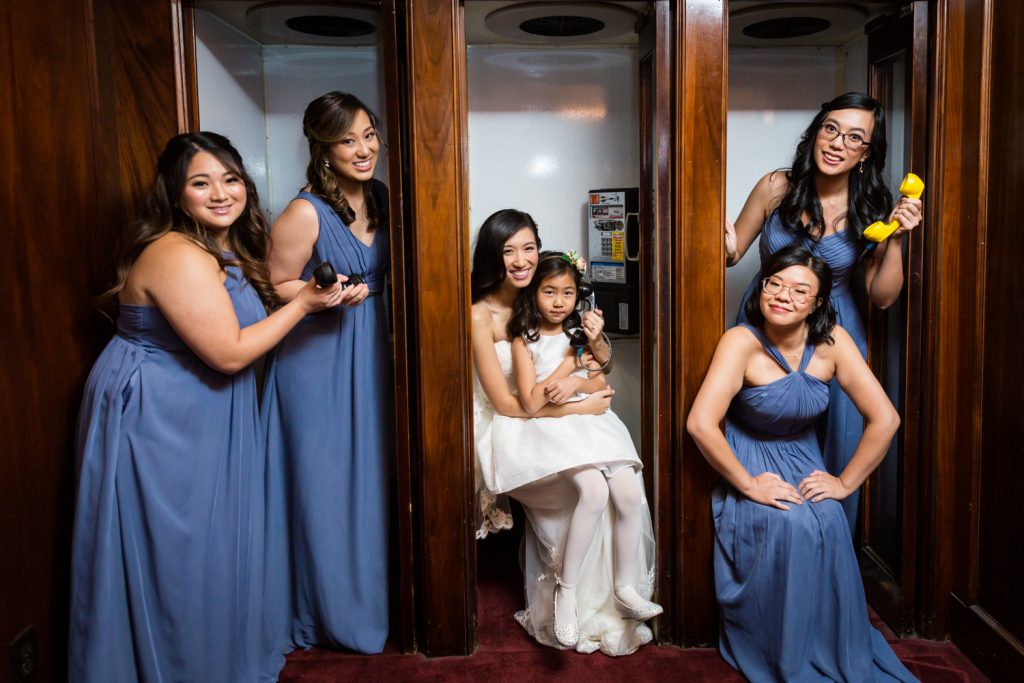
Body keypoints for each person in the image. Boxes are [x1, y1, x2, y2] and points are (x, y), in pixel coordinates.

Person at [69, 132, 345, 682]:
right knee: (175, 554)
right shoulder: (175, 254)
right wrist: (309, 305)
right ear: (176, 194)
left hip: (197, 407)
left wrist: (322, 293)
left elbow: (246, 309)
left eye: (230, 178)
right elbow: (227, 352)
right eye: (201, 182)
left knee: (209, 552)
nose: (220, 193)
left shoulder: (217, 245)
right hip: (158, 416)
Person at [687, 245, 917, 682]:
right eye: (774, 283)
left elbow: (885, 418)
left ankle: (830, 643)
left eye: (799, 290)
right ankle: (781, 648)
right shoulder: (741, 341)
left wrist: (846, 483)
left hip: (802, 452)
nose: (781, 296)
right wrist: (749, 484)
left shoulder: (834, 344)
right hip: (750, 453)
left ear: (818, 303)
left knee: (830, 518)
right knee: (790, 522)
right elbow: (701, 423)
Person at [725, 92, 923, 534]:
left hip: (835, 331)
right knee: (750, 430)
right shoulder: (776, 185)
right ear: (816, 132)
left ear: (866, 153)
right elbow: (732, 251)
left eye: (854, 137)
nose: (837, 142)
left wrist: (897, 239)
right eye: (830, 129)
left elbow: (883, 297)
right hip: (766, 324)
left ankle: (827, 543)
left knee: (840, 442)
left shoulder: (872, 205)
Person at [470, 210, 656, 656]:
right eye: (508, 250)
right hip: (513, 420)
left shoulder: (546, 297)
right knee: (590, 489)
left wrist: (590, 356)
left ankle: (614, 598)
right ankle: (568, 596)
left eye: (529, 248)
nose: (520, 259)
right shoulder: (481, 314)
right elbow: (511, 403)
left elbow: (598, 364)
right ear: (492, 255)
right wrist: (583, 400)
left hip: (564, 414)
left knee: (621, 490)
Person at [260, 91, 392, 665]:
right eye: (348, 140)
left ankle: (378, 596)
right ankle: (329, 609)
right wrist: (326, 295)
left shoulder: (386, 198)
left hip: (376, 349)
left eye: (369, 135)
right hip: (318, 358)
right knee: (328, 482)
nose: (363, 150)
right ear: (323, 148)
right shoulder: (303, 211)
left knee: (375, 476)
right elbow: (275, 285)